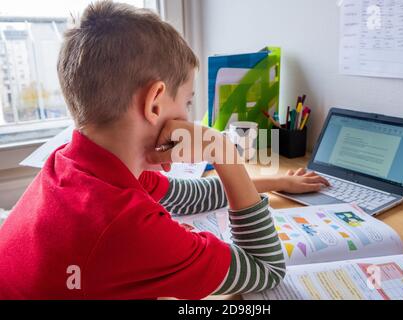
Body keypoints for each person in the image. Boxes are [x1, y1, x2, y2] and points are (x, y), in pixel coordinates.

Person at [0, 1, 329, 299]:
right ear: (155, 103)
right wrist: (224, 152)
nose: (188, 116)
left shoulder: (75, 164)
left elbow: (192, 196)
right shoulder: (127, 224)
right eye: (186, 101)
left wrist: (277, 183)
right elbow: (265, 270)